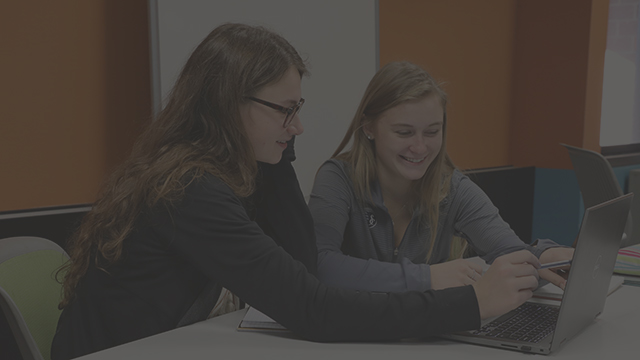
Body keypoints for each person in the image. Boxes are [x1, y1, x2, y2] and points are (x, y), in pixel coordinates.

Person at [51, 24, 543, 360]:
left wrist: (278, 151)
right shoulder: (189, 190)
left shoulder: (216, 171)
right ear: (229, 105)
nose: (299, 125)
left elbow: (302, 263)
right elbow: (314, 307)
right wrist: (472, 304)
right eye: (285, 110)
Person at [309, 61, 573, 293]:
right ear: (369, 127)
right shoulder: (338, 178)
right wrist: (426, 278)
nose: (420, 147)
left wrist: (543, 257)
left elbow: (508, 251)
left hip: (422, 340)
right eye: (404, 132)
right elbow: (319, 264)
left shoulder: (453, 188)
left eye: (432, 131)